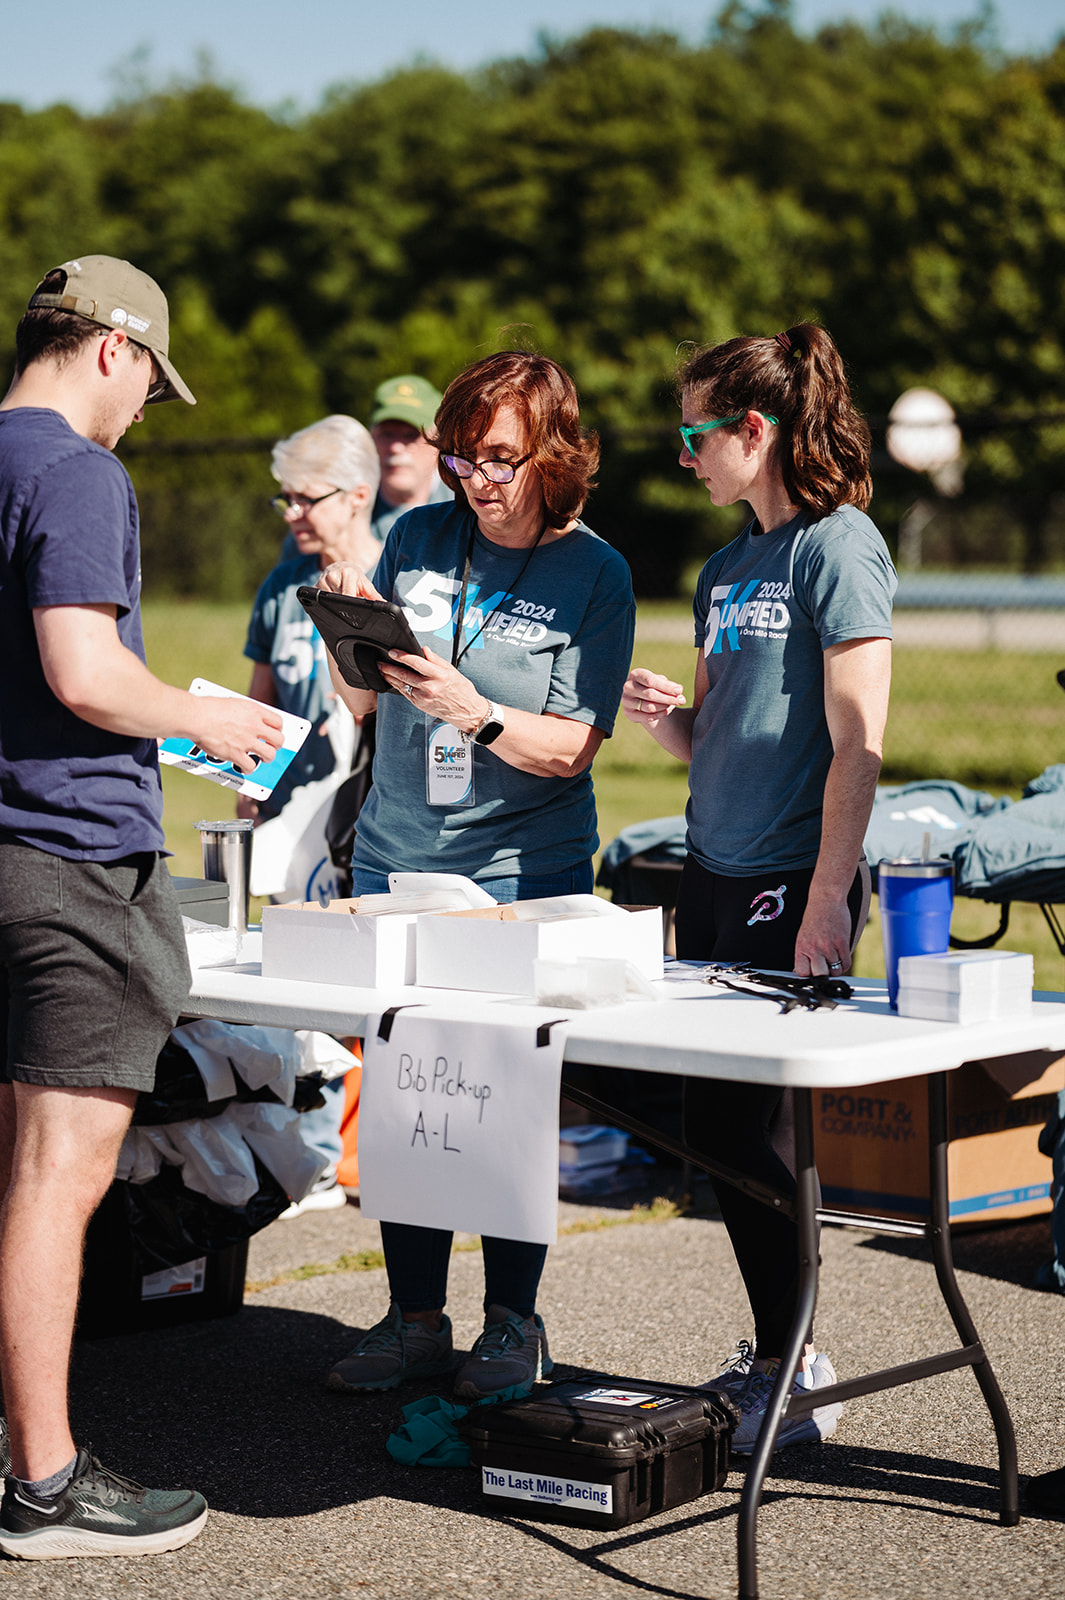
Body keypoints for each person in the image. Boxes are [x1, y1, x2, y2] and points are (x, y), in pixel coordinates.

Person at [0, 255, 283, 1557]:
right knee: (58, 1181)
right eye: (148, 389)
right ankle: (46, 1483)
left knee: (16, 1173)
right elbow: (84, 669)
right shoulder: (75, 471)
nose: (141, 418)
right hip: (67, 866)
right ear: (112, 350)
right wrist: (203, 716)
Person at [316, 350, 635, 1400]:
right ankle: (413, 1318)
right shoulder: (416, 535)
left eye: (498, 457)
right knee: (410, 1093)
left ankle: (511, 1324)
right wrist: (343, 629)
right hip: (405, 855)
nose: (476, 479)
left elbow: (575, 746)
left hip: (521, 871)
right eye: (462, 457)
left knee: (500, 1099)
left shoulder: (596, 573)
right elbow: (363, 707)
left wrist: (476, 710)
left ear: (553, 453)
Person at [622, 323, 895, 1454]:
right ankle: (782, 1352)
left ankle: (796, 1367)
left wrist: (831, 895)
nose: (685, 455)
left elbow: (858, 744)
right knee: (712, 1122)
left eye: (697, 433)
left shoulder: (839, 547)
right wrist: (670, 720)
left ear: (755, 429)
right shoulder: (724, 568)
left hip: (795, 876)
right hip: (713, 872)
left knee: (753, 1124)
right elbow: (725, 736)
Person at [243, 416, 382, 1213]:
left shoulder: (397, 567)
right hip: (291, 815)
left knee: (355, 982)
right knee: (290, 986)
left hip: (364, 809)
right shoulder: (278, 584)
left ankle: (353, 1151)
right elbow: (260, 700)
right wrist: (248, 793)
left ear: (357, 496)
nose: (292, 513)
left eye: (307, 497)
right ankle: (304, 1146)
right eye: (284, 498)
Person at [368, 373, 451, 543]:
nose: (396, 447)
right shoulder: (348, 512)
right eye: (386, 434)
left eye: (410, 436)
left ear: (439, 441)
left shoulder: (468, 507)